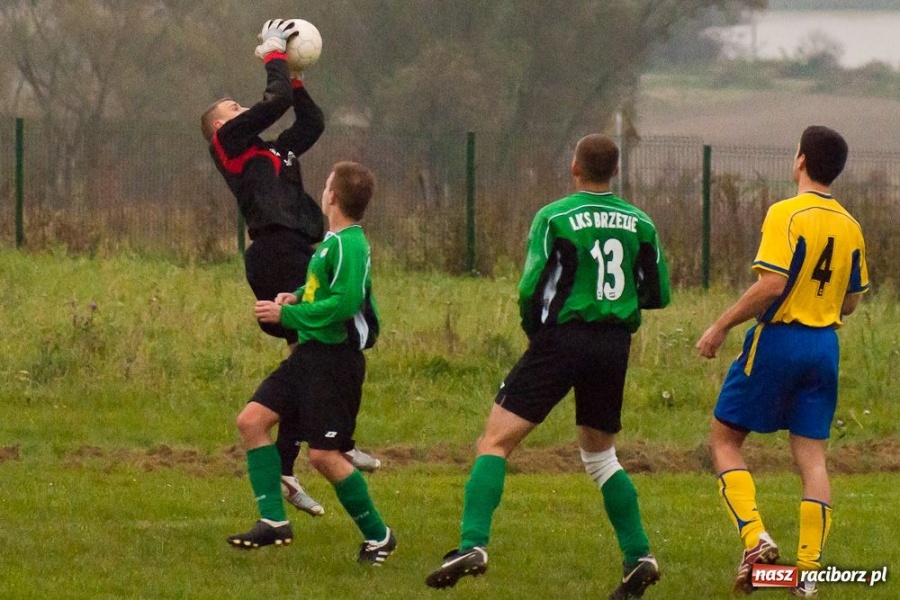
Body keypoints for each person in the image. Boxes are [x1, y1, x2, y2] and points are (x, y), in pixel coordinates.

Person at [426, 134, 670, 599]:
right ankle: (639, 555)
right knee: (600, 456)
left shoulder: (555, 216)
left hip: (562, 338)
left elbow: (530, 286)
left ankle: (472, 545)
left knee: (494, 442)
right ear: (615, 172)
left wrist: (535, 331)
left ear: (575, 167)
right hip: (614, 345)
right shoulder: (641, 222)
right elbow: (657, 292)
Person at [200, 20, 379, 517]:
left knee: (320, 354)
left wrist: (295, 77)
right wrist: (274, 56)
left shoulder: (273, 149)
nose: (241, 112)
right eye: (233, 109)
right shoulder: (230, 145)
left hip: (306, 249)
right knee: (322, 348)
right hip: (275, 253)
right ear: (220, 127)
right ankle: (324, 446)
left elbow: (311, 123)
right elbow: (271, 102)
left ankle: (297, 457)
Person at [696, 126, 869, 598]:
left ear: (800, 161)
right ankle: (808, 572)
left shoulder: (786, 214)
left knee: (725, 438)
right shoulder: (851, 226)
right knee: (812, 458)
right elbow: (851, 301)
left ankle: (755, 540)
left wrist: (721, 324)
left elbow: (772, 284)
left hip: (779, 340)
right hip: (824, 347)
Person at [227, 160, 396, 565]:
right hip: (308, 356)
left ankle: (380, 537)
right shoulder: (332, 243)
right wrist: (296, 295)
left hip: (334, 362)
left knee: (324, 456)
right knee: (251, 421)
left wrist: (288, 317)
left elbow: (346, 303)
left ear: (332, 196)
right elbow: (323, 288)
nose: (322, 190)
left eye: (325, 185)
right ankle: (272, 520)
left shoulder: (350, 243)